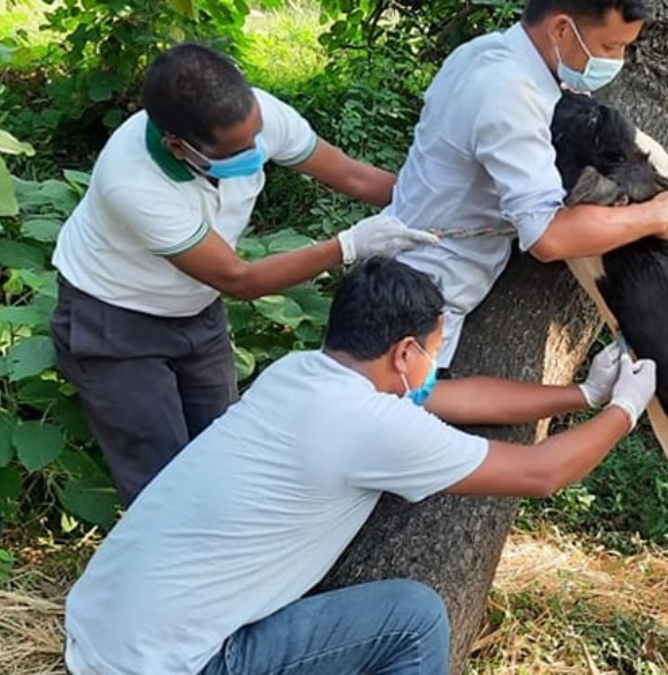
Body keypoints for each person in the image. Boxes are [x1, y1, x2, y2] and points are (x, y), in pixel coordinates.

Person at [63, 257, 657, 675]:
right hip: (169, 665)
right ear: (404, 352)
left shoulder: (298, 374)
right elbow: (541, 473)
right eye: (433, 350)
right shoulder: (374, 426)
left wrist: (585, 396)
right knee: (415, 618)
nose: (433, 367)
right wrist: (629, 410)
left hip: (97, 630)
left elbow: (462, 397)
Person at [50, 44, 437, 505]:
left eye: (257, 136)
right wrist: (348, 245)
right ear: (179, 145)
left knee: (223, 447)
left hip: (196, 310)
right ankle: (173, 569)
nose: (256, 150)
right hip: (116, 323)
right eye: (238, 149)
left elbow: (351, 176)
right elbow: (239, 279)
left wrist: (433, 205)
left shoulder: (254, 115)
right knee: (160, 479)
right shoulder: (132, 181)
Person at [385, 0, 668, 370]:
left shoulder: (482, 54)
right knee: (395, 416)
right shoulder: (509, 94)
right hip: (422, 300)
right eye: (610, 47)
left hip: (405, 266)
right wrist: (657, 215)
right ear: (562, 29)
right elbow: (547, 237)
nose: (618, 60)